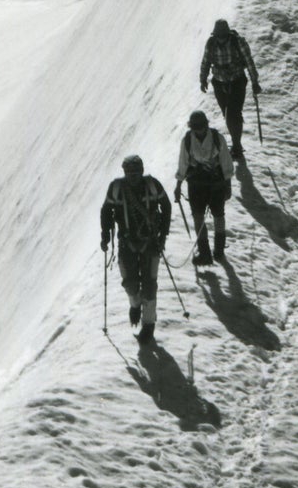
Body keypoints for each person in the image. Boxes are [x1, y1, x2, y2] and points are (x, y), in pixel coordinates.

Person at [100, 155, 171, 344]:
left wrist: (163, 235)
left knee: (149, 285)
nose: (133, 175)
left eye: (136, 171)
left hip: (150, 243)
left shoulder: (152, 185)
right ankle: (135, 304)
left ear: (142, 171)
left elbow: (166, 206)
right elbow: (106, 211)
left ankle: (148, 325)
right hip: (127, 243)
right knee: (130, 285)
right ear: (124, 172)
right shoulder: (116, 188)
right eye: (129, 172)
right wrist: (105, 235)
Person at [175, 110, 234, 267]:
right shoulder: (187, 140)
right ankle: (205, 253)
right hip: (196, 185)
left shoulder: (217, 138)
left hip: (216, 184)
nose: (199, 130)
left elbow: (226, 161)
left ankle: (219, 250)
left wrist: (228, 185)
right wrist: (178, 185)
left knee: (218, 215)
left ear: (206, 125)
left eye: (201, 126)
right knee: (198, 217)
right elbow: (183, 163)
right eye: (196, 127)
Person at [199, 19, 260, 160]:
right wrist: (203, 79)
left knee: (233, 113)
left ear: (227, 34)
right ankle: (236, 142)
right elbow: (206, 61)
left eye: (222, 35)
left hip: (237, 81)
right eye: (218, 36)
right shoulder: (211, 43)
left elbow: (249, 62)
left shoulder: (238, 42)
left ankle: (237, 146)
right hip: (219, 83)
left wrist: (254, 82)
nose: (220, 38)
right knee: (227, 115)